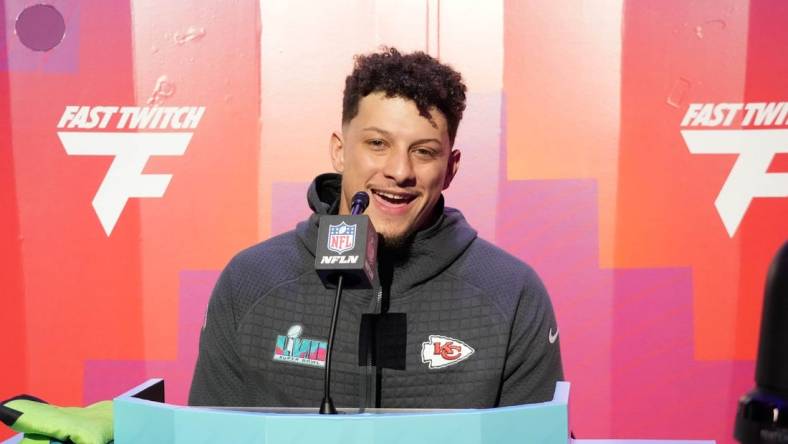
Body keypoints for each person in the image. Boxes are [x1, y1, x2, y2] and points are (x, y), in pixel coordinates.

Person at [189, 47, 563, 409]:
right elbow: (204, 437)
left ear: (450, 168)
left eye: (424, 151)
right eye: (378, 143)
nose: (400, 171)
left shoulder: (511, 292)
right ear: (339, 150)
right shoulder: (251, 281)